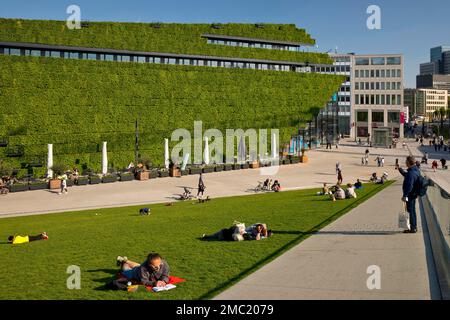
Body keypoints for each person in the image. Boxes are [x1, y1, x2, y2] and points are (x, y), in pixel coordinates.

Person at [398, 156, 421, 233]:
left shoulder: (411, 173)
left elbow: (409, 186)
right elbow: (407, 175)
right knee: (412, 211)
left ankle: (412, 228)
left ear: (408, 162)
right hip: (413, 194)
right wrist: (400, 169)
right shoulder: (416, 170)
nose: (405, 163)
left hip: (410, 195)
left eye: (406, 161)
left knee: (410, 211)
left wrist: (405, 196)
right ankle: (414, 227)